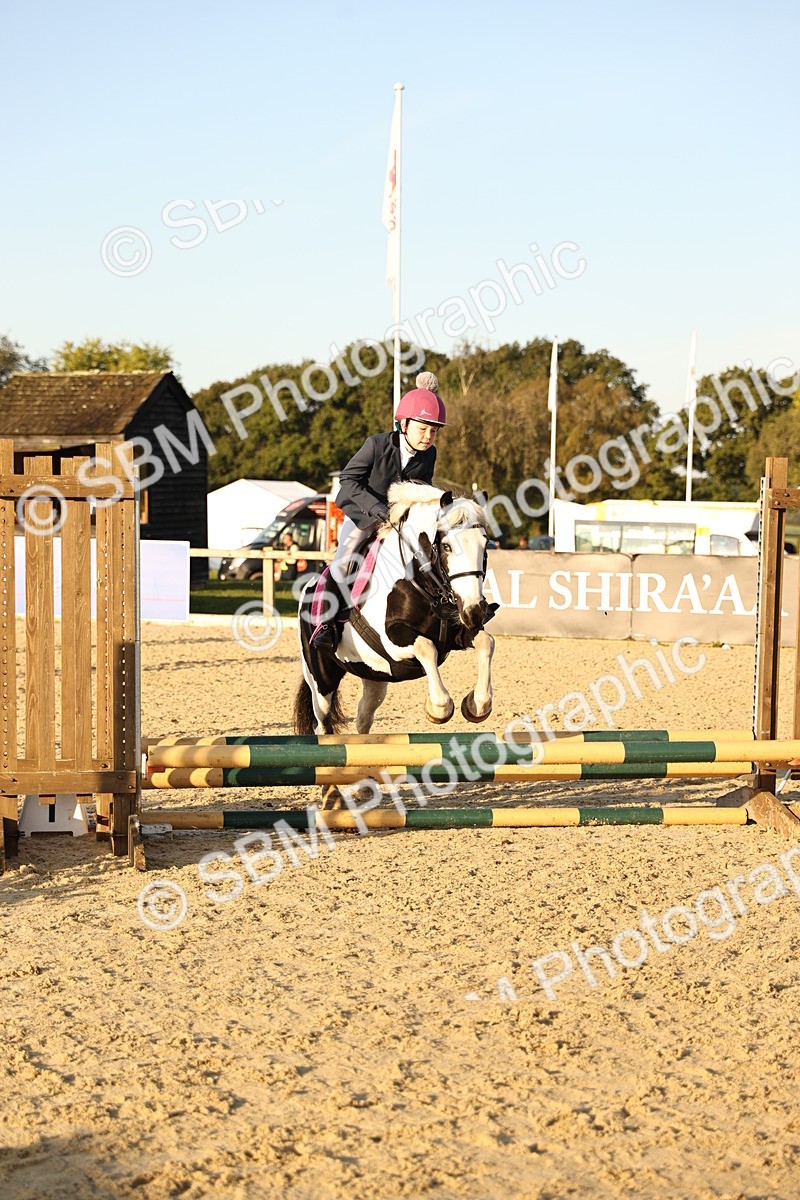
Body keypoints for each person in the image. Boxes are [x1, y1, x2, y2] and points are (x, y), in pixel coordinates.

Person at [313, 371, 446, 648]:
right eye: (422, 429)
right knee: (344, 558)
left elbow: (422, 487)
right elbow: (348, 479)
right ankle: (326, 625)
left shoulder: (429, 455)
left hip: (399, 520)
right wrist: (375, 508)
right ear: (405, 424)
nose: (428, 437)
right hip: (364, 515)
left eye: (433, 431)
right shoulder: (376, 445)